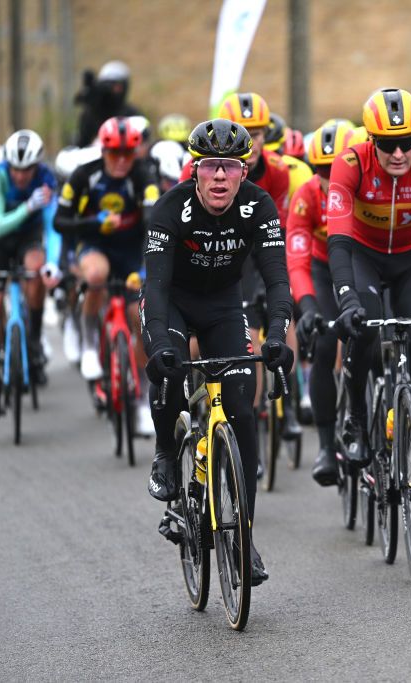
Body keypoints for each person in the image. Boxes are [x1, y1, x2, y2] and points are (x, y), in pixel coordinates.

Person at [143, 118, 293, 586]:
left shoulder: (259, 206)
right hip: (174, 303)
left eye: (230, 166)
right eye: (211, 167)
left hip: (225, 306)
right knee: (168, 368)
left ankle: (243, 536)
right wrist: (161, 344)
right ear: (196, 171)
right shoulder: (169, 211)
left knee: (242, 413)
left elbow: (276, 279)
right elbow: (155, 287)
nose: (221, 176)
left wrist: (275, 336)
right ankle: (167, 451)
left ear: (244, 172)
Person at [326, 88, 411, 539]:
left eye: (408, 140)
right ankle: (357, 421)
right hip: (362, 257)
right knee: (361, 329)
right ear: (371, 140)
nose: (400, 152)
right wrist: (346, 299)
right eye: (388, 144)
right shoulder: (349, 164)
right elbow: (339, 242)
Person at [198, 92, 302, 440]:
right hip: (220, 255)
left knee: (279, 313)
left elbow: (278, 235)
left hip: (259, 250)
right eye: (247, 131)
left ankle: (286, 400)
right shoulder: (203, 169)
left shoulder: (279, 171)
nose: (253, 141)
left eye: (258, 133)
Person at [55, 116, 160, 435]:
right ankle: (89, 343)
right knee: (96, 276)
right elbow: (60, 222)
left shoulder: (144, 177)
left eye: (128, 154)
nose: (122, 161)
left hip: (131, 253)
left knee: (138, 319)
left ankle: (142, 401)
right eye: (115, 154)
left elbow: (153, 223)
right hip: (96, 245)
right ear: (104, 151)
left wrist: (144, 268)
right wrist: (94, 223)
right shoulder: (83, 175)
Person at [287, 121, 347, 483]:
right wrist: (307, 305)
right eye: (321, 170)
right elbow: (296, 258)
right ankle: (327, 445)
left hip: (361, 266)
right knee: (324, 346)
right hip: (323, 268)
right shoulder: (308, 196)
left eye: (336, 168)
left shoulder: (366, 190)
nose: (329, 178)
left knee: (374, 344)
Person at [0, 130, 60, 384]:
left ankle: (34, 338)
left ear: (36, 166)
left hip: (29, 238)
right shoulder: (1, 175)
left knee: (36, 271)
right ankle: (4, 348)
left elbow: (53, 228)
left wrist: (53, 264)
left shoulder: (46, 180)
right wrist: (27, 208)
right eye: (16, 169)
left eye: (27, 170)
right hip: (2, 238)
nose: (20, 175)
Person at [74, 60, 142, 147]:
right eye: (107, 86)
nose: (111, 92)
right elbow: (81, 145)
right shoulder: (89, 114)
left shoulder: (131, 114)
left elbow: (141, 145)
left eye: (117, 87)